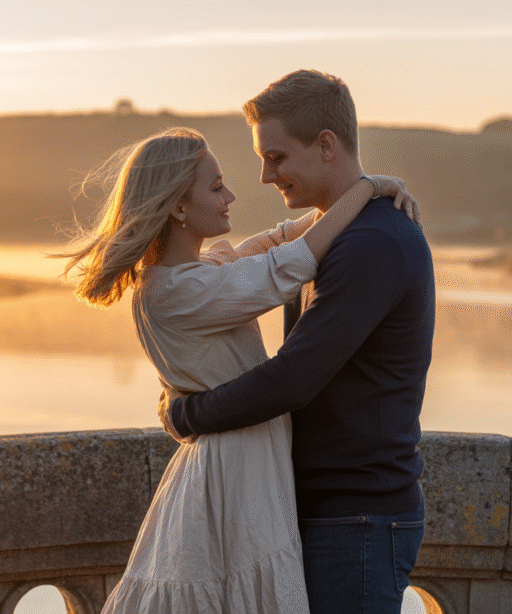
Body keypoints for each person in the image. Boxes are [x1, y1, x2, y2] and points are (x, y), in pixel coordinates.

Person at [58, 125, 418, 613]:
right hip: (238, 470)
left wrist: (346, 201)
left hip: (235, 458)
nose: (229, 196)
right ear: (179, 208)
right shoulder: (183, 292)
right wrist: (369, 188)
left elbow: (273, 245)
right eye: (215, 187)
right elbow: (287, 265)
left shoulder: (190, 277)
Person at [162, 70, 436, 614]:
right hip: (330, 510)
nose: (266, 176)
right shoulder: (334, 234)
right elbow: (245, 264)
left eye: (278, 157)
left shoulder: (372, 244)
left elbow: (293, 379)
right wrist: (370, 185)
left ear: (327, 145)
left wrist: (187, 417)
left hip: (357, 517)